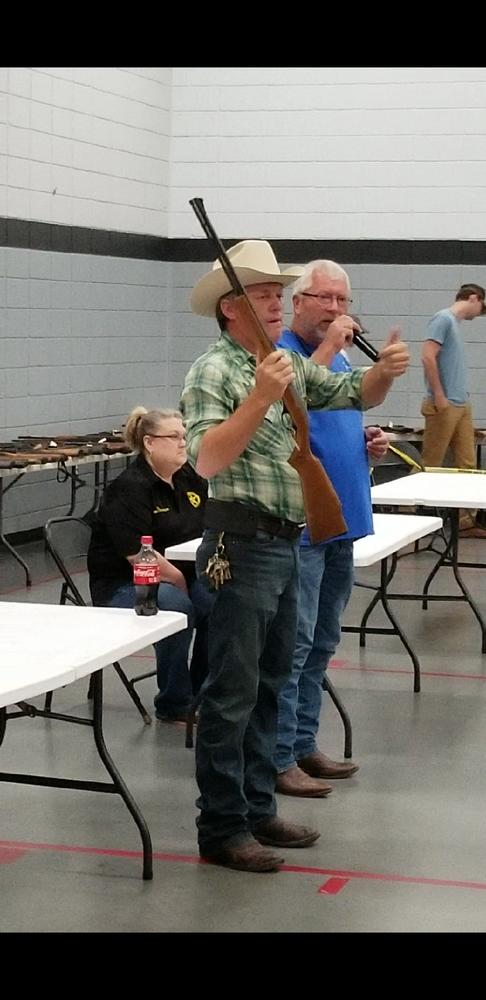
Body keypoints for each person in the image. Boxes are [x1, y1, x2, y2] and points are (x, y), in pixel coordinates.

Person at [180, 239, 409, 874]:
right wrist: (258, 397)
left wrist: (385, 369)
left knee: (272, 683)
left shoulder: (278, 359)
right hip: (240, 545)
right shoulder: (214, 371)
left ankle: (255, 809)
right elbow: (205, 460)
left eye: (280, 293)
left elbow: (351, 393)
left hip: (285, 541)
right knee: (232, 693)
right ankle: (222, 826)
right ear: (231, 308)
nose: (277, 303)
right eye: (262, 294)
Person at [275, 259, 389, 797]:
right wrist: (328, 349)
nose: (336, 310)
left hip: (342, 521)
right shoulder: (281, 354)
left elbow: (334, 414)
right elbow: (290, 405)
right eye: (324, 299)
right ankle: (277, 758)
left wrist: (362, 443)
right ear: (297, 302)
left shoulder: (338, 355)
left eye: (343, 301)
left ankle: (302, 744)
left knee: (322, 642)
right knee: (292, 647)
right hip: (301, 525)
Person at [87, 406, 214, 721]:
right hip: (125, 584)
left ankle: (203, 692)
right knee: (176, 606)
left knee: (221, 600)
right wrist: (176, 580)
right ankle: (174, 703)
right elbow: (136, 554)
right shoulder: (129, 488)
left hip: (185, 574)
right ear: (149, 443)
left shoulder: (189, 478)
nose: (183, 443)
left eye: (184, 435)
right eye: (174, 437)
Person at [421, 283, 486, 538]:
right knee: (431, 462)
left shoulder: (454, 325)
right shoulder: (443, 318)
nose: (480, 313)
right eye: (481, 307)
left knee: (467, 465)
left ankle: (464, 521)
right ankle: (405, 512)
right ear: (474, 298)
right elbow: (427, 355)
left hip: (460, 403)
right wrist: (439, 395)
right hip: (445, 402)